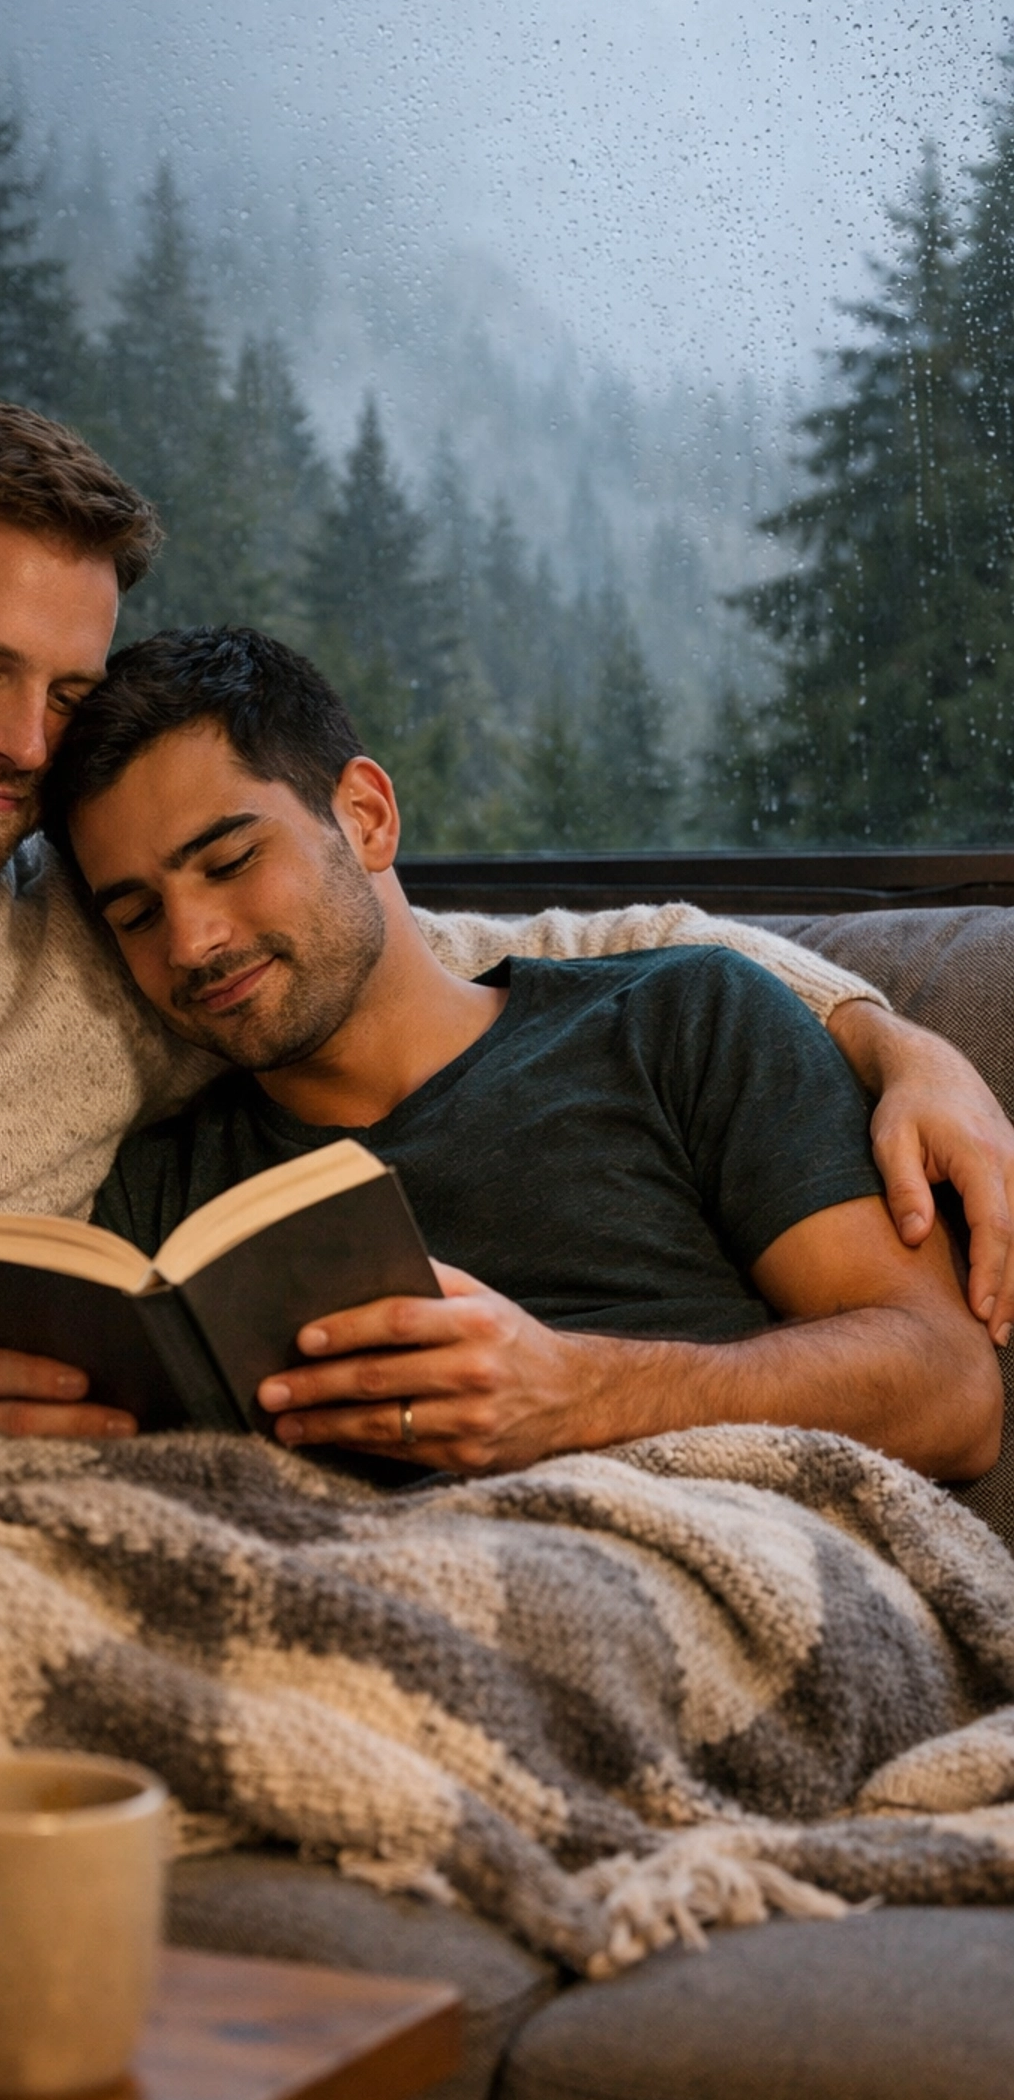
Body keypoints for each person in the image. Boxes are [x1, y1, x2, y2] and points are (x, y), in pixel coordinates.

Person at [0, 402, 1007, 1806]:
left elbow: (424, 954)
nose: (25, 744)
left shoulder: (91, 939)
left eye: (66, 693)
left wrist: (887, 1034)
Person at [49, 626, 1003, 1482]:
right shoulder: (159, 1191)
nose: (191, 943)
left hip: (683, 1538)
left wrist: (581, 1393)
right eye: (135, 915)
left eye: (230, 863)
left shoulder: (678, 1019)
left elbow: (951, 1390)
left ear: (367, 817)